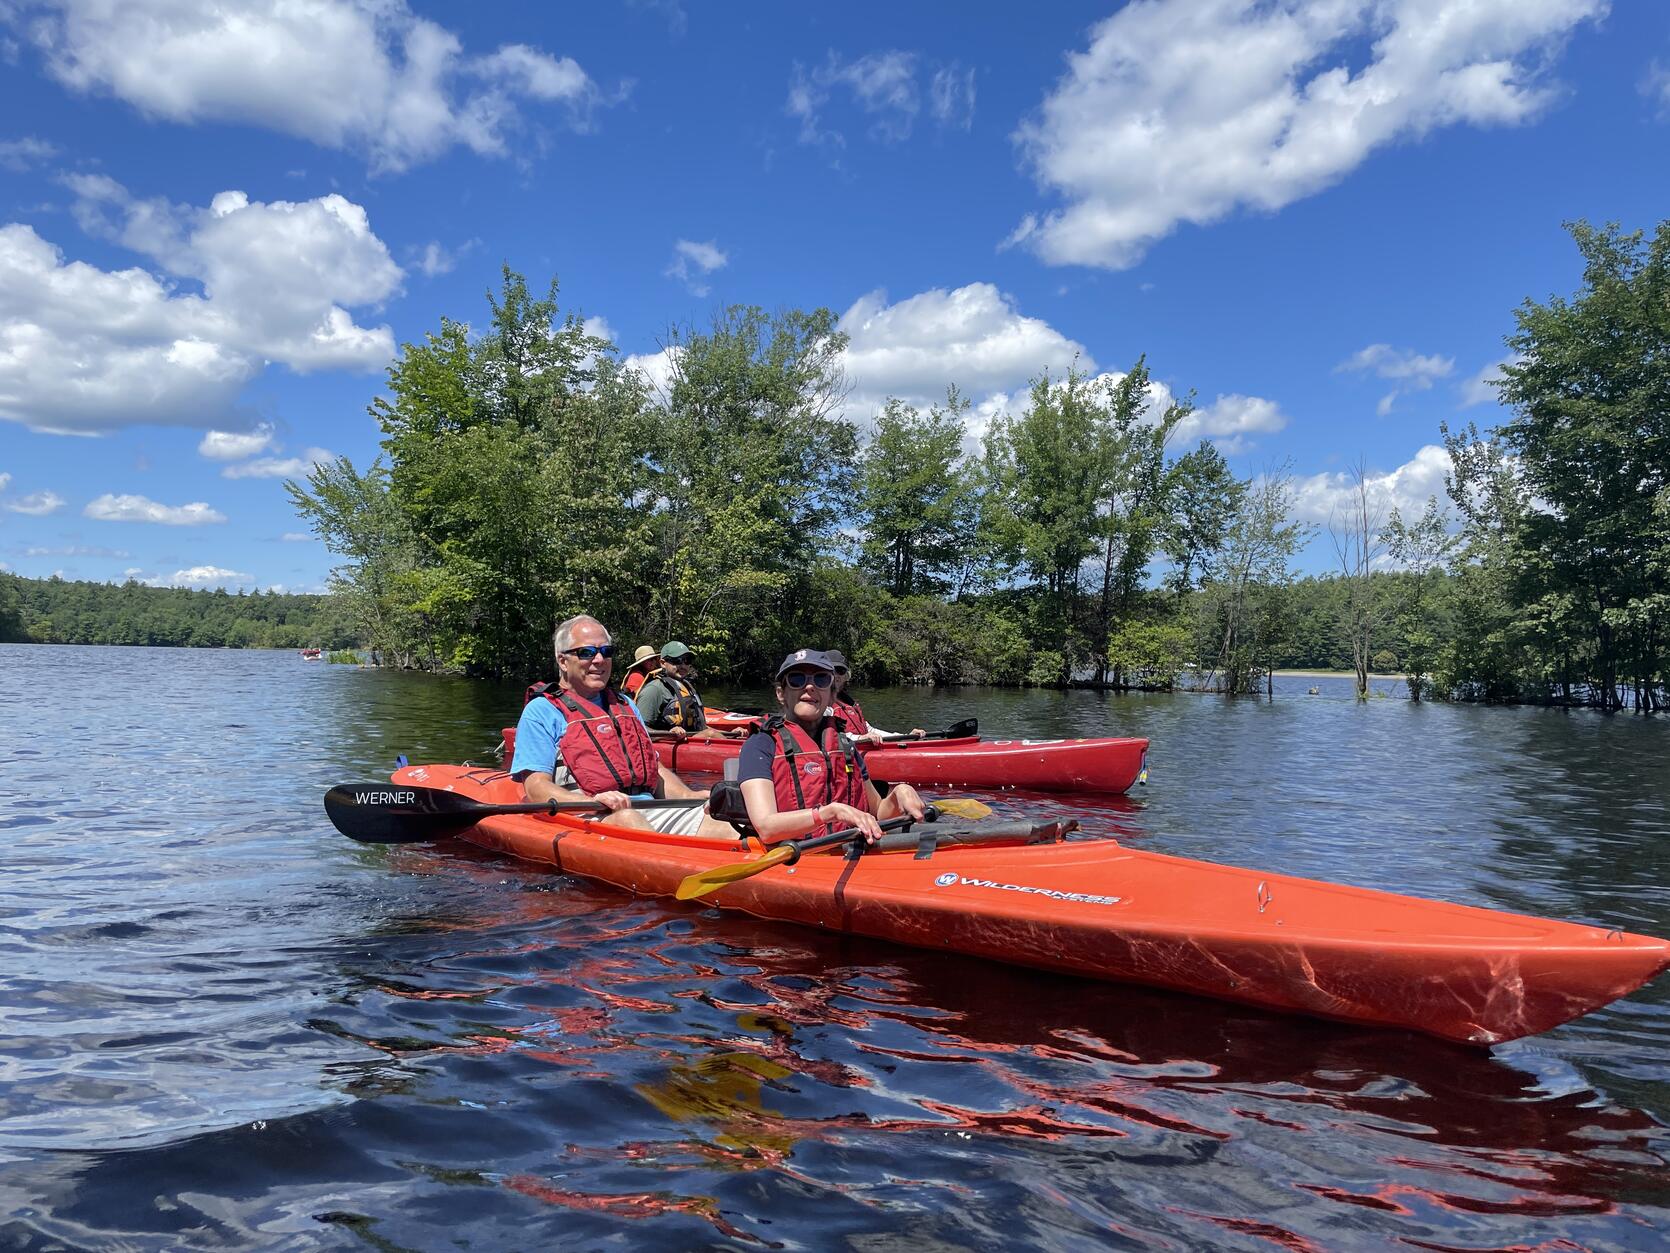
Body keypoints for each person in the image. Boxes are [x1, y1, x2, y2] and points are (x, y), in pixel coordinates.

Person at [510, 615, 736, 838]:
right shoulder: (541, 711)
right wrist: (591, 801)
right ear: (562, 661)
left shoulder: (624, 704)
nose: (599, 660)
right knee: (627, 818)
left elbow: (654, 768)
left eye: (606, 652)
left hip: (649, 809)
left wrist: (689, 796)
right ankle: (667, 867)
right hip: (587, 813)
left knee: (722, 823)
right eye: (586, 652)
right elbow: (536, 788)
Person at [736, 648, 927, 845]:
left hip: (851, 851)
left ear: (831, 695)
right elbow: (766, 827)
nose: (809, 686)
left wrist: (898, 794)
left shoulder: (844, 745)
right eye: (797, 679)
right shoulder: (761, 745)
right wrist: (830, 813)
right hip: (798, 856)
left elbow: (878, 811)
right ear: (781, 693)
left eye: (821, 680)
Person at [633, 640, 735, 739]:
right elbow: (639, 730)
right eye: (676, 661)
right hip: (669, 745)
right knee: (710, 734)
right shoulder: (654, 690)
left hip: (692, 741)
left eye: (687, 661)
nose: (683, 666)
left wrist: (731, 734)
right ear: (663, 663)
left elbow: (701, 728)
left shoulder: (688, 688)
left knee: (715, 734)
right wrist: (669, 734)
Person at [826, 649, 924, 744]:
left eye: (840, 670)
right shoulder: (823, 705)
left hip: (859, 751)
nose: (836, 675)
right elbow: (829, 736)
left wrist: (905, 737)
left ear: (846, 676)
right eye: (832, 670)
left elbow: (870, 730)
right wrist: (861, 738)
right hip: (845, 753)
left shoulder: (849, 703)